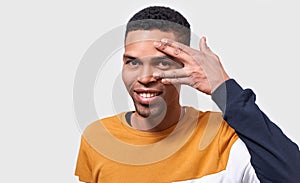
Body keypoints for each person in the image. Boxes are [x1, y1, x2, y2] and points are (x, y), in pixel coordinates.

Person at [75, 6, 300, 183]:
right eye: (132, 62)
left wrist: (224, 89)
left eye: (162, 62)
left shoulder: (223, 137)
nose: (144, 77)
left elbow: (291, 176)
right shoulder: (97, 138)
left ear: (185, 64)